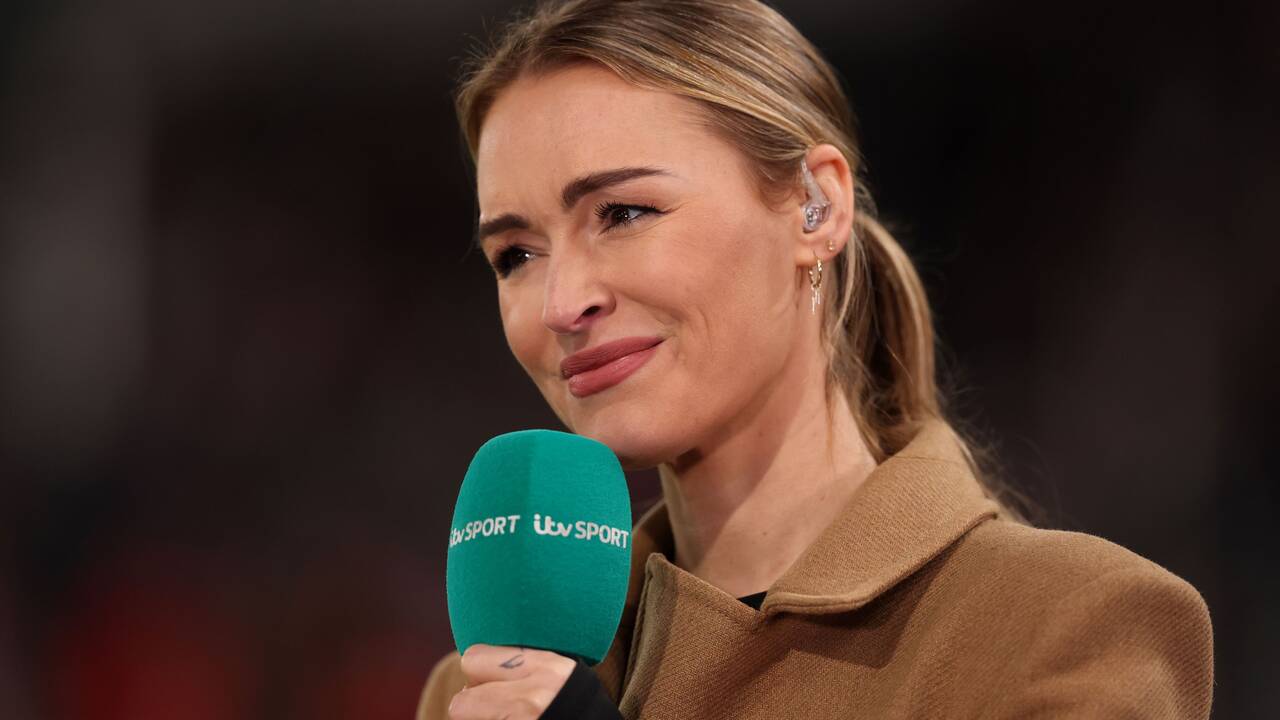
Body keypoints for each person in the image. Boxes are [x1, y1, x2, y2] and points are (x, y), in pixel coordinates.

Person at [417, 0, 1215, 717]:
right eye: (516, 255)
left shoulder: (1071, 626)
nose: (561, 304)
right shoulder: (484, 688)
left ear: (815, 206)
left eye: (623, 213)